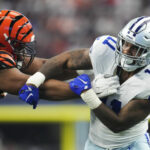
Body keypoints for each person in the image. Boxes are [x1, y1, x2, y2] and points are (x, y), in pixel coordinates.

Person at [19, 16, 150, 149]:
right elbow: (66, 59)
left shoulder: (147, 83)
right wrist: (34, 81)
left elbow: (118, 125)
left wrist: (88, 93)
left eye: (135, 48)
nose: (126, 50)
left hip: (132, 145)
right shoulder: (106, 49)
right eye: (126, 43)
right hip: (95, 144)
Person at [0, 9, 80, 108]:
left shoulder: (8, 54)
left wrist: (89, 68)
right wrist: (87, 90)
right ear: (3, 41)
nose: (23, 48)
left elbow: (44, 67)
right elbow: (33, 86)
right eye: (18, 44)